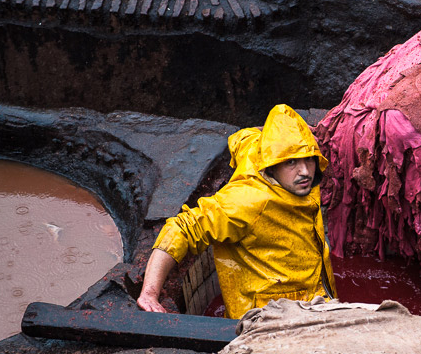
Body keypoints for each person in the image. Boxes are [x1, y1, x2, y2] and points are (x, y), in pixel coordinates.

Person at [136, 104, 337, 319]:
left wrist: (288, 132)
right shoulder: (246, 202)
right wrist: (149, 293)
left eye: (308, 158)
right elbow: (182, 229)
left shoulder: (259, 152)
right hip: (271, 317)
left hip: (316, 297)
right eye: (291, 162)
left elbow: (243, 136)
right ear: (271, 164)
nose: (305, 171)